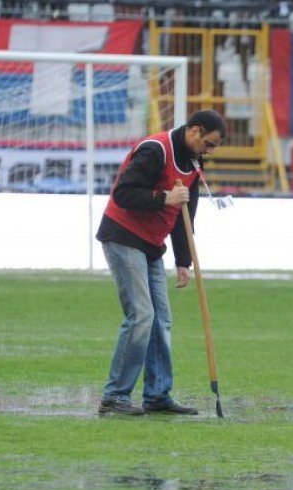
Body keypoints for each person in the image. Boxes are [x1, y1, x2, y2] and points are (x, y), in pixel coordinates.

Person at [96, 110, 226, 416]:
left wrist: (183, 260)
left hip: (153, 245)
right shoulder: (155, 150)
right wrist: (163, 197)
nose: (210, 150)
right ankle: (115, 396)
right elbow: (124, 193)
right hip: (123, 236)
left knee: (161, 319)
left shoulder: (194, 161)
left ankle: (157, 395)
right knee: (142, 315)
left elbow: (185, 215)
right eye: (209, 143)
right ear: (194, 131)